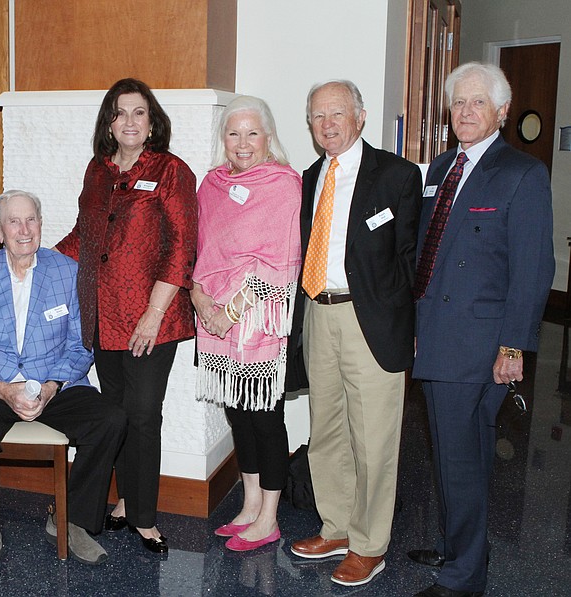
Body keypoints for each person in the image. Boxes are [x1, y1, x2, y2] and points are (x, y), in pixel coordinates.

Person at [409, 62, 554, 597]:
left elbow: (535, 269)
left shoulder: (521, 173)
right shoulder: (439, 170)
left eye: (477, 103)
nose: (465, 112)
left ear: (501, 112)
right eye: (458, 104)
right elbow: (427, 256)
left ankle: (464, 577)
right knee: (449, 454)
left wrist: (513, 346)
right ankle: (459, 547)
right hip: (435, 337)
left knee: (462, 459)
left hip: (481, 344)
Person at [0, 190, 126, 583]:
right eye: (14, 221)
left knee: (110, 418)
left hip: (53, 381)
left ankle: (72, 521)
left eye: (32, 220)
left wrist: (50, 386)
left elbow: (81, 345)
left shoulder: (67, 271)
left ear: (41, 225)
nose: (24, 230)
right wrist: (1, 388)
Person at [56, 78, 197, 554]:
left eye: (139, 112)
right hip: (102, 316)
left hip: (152, 318)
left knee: (143, 415)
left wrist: (153, 315)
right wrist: (35, 260)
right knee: (115, 415)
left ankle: (144, 516)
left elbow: (181, 248)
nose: (130, 122)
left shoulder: (172, 170)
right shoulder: (97, 171)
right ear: (109, 122)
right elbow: (84, 236)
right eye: (120, 113)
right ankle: (123, 502)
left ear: (152, 120)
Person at [289, 80, 422, 587]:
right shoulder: (308, 178)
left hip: (372, 321)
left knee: (374, 438)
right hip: (318, 314)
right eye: (318, 115)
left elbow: (411, 261)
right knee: (325, 431)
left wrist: (405, 327)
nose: (327, 124)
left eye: (337, 113)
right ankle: (337, 527)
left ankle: (370, 545)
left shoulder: (397, 175)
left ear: (360, 117)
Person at [191, 95, 302, 552]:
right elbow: (200, 255)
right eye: (233, 133)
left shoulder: (283, 185)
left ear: (268, 136)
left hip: (258, 323)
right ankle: (251, 502)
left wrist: (229, 312)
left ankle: (270, 517)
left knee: (265, 418)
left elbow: (281, 260)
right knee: (237, 414)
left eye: (252, 133)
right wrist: (202, 302)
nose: (242, 142)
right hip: (214, 321)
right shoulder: (210, 186)